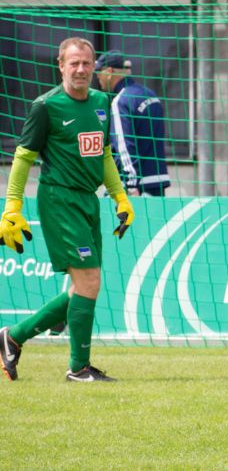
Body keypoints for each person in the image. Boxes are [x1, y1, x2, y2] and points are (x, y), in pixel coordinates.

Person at [0, 37, 135, 383]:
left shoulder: (103, 102)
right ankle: (79, 369)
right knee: (89, 281)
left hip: (89, 200)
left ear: (94, 67)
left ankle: (12, 337)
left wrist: (120, 197)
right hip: (59, 200)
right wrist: (11, 207)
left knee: (81, 288)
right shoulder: (45, 106)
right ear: (60, 65)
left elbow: (104, 155)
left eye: (86, 63)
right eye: (73, 63)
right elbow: (22, 158)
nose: (80, 69)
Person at [96, 50, 171, 196]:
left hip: (135, 187)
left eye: (99, 71)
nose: (97, 76)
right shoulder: (150, 94)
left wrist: (131, 184)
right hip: (158, 180)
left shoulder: (121, 100)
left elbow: (125, 146)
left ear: (109, 71)